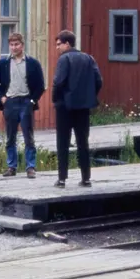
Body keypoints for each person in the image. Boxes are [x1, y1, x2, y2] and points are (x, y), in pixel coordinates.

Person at [50, 29, 102, 188]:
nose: (57, 48)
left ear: (67, 43)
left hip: (65, 107)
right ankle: (86, 178)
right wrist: (89, 96)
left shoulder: (64, 59)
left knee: (63, 143)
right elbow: (98, 80)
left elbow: (58, 82)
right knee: (83, 142)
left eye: (59, 44)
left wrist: (56, 100)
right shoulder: (88, 58)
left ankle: (62, 179)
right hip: (83, 107)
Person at [0, 32, 46, 179]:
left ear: (22, 45)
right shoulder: (2, 63)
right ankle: (11, 166)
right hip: (10, 102)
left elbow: (41, 85)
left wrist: (32, 101)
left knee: (28, 136)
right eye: (11, 45)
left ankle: (30, 167)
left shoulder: (32, 63)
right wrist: (2, 97)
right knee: (10, 136)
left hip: (25, 102)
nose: (14, 47)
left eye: (17, 44)